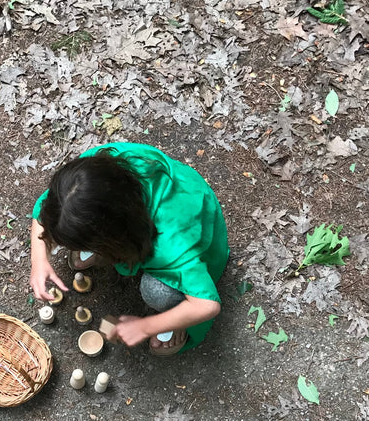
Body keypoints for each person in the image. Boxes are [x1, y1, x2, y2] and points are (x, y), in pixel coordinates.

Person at [29, 142, 229, 356]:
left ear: (116, 239)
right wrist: (39, 260)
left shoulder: (172, 245)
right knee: (74, 224)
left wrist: (146, 326)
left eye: (91, 245)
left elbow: (207, 305)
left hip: (192, 225)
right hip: (143, 211)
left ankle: (177, 315)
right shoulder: (92, 177)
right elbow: (44, 210)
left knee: (157, 292)